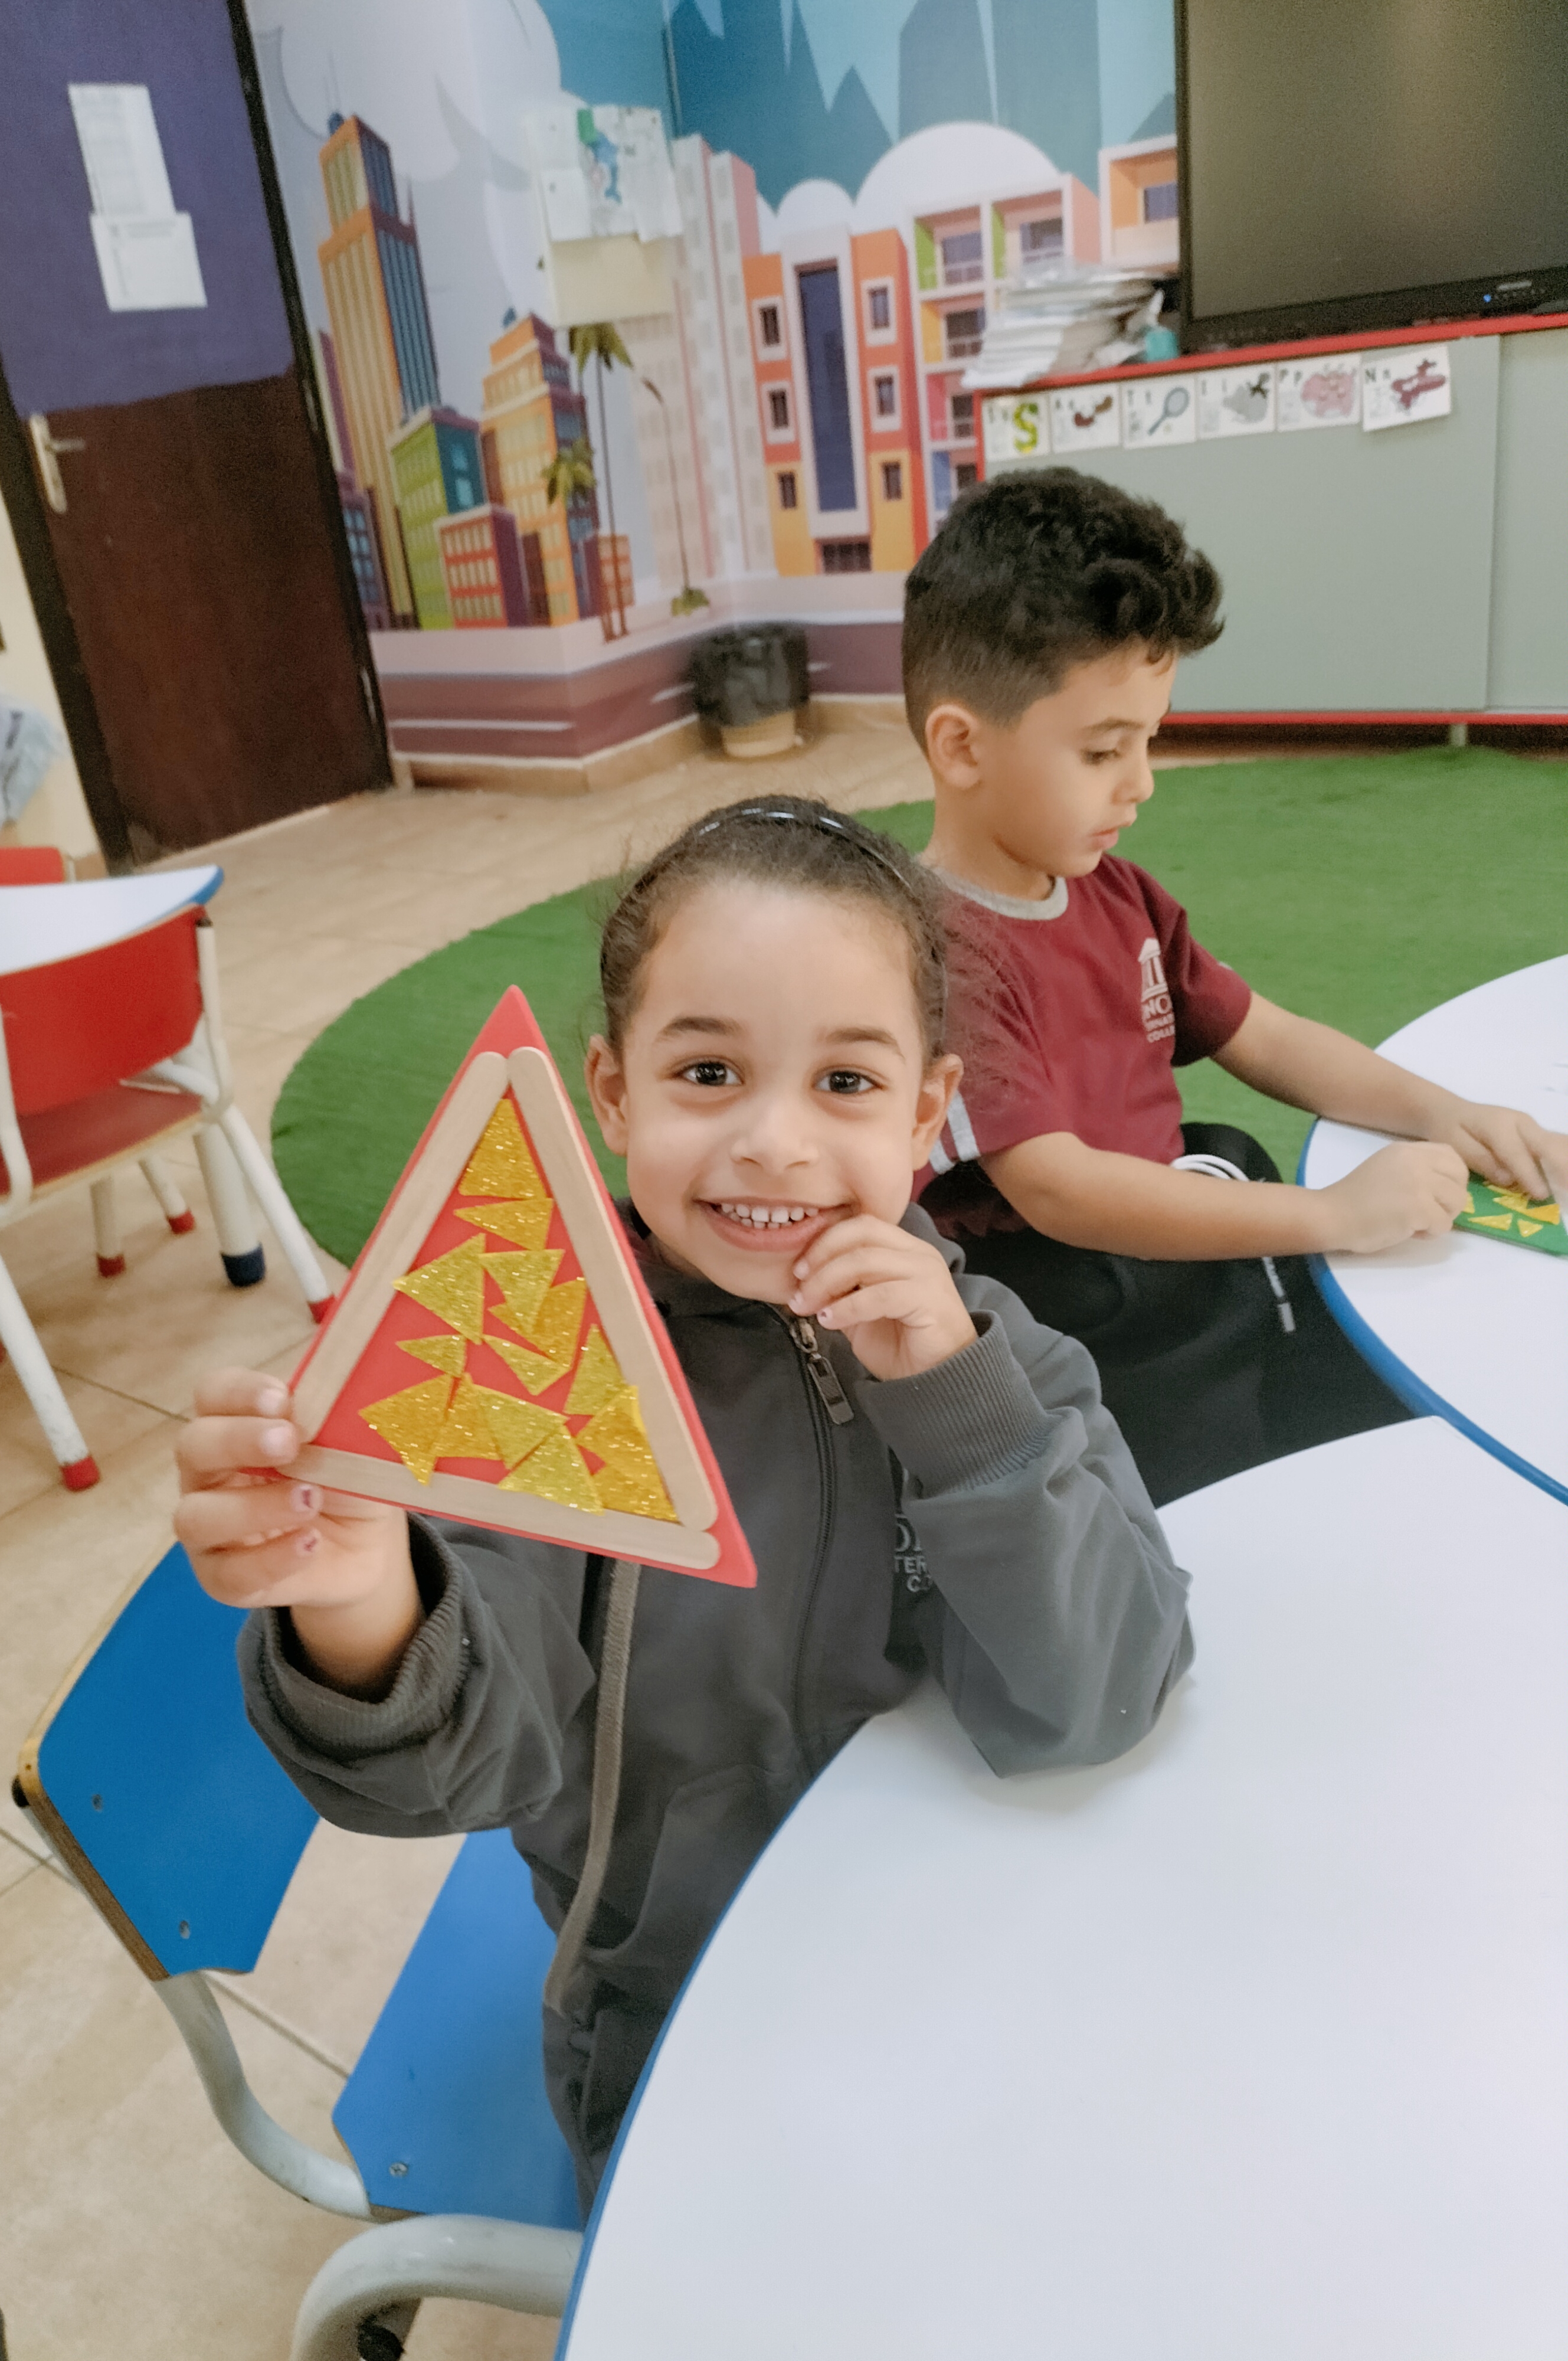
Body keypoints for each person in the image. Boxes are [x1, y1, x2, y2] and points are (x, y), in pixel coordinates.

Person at [175, 795, 1194, 2215]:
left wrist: (962, 1411)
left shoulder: (996, 1352)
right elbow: (445, 1772)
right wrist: (362, 1596)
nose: (774, 1140)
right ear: (610, 1092)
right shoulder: (542, 1385)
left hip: (967, 1932)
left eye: (846, 1081)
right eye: (708, 1070)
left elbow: (1102, 1697)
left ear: (925, 1108)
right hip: (678, 2010)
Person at [904, 469, 1568, 1505]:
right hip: (1074, 1318)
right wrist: (1330, 1212)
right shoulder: (932, 953)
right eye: (1102, 750)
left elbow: (1262, 1033)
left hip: (1176, 1236)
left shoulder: (1114, 892)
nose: (1139, 783)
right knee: (1241, 1491)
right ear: (960, 746)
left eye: (1149, 740)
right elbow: (1059, 1190)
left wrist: (1444, 1112)